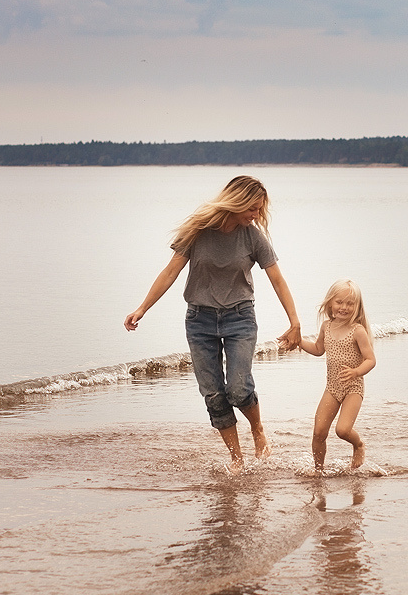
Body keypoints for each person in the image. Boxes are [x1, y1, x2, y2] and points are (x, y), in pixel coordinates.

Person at [124, 176, 302, 474]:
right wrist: (142, 308)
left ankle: (257, 429)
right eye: (252, 208)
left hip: (240, 318)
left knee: (239, 388)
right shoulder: (198, 230)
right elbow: (170, 272)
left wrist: (294, 321)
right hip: (200, 321)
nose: (256, 215)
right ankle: (236, 458)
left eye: (259, 209)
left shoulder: (252, 237)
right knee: (214, 395)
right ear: (237, 202)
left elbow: (277, 279)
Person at [298, 279, 376, 474]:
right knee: (318, 432)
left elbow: (370, 359)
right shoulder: (327, 326)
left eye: (350, 304)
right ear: (330, 303)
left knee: (342, 430)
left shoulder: (358, 331)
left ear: (357, 307)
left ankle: (358, 445)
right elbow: (318, 349)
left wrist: (356, 371)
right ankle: (318, 471)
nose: (344, 307)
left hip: (353, 388)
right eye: (339, 302)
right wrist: (298, 341)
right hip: (332, 388)